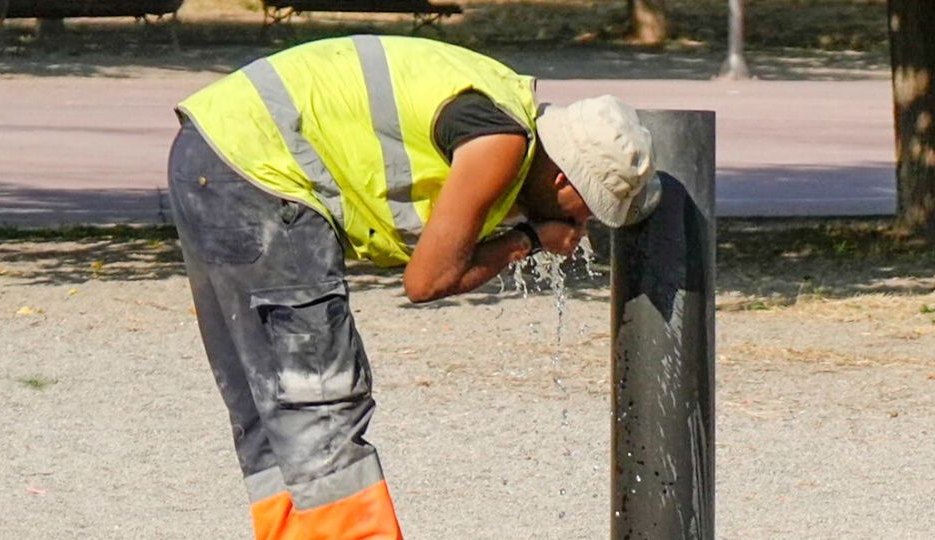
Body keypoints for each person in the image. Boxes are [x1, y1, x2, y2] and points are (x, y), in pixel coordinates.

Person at [167, 34, 659, 540]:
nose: (584, 224)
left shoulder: (498, 109)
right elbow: (427, 281)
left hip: (212, 154)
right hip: (260, 169)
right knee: (320, 403)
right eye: (589, 208)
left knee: (272, 409)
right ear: (563, 180)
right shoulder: (499, 143)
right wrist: (531, 238)